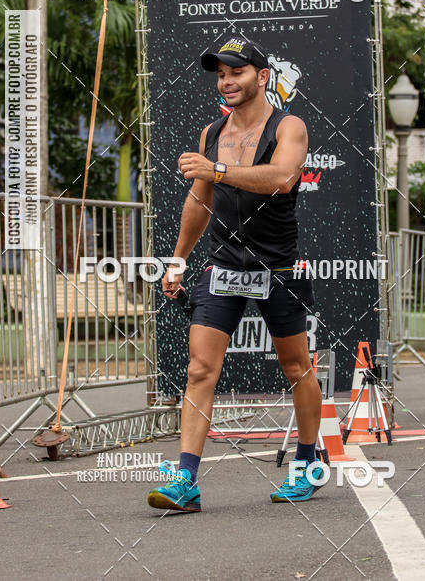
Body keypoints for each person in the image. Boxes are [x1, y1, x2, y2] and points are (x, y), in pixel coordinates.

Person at [147, 37, 323, 512]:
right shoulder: (212, 133)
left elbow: (282, 178)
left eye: (237, 72)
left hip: (278, 266)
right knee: (201, 368)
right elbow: (199, 199)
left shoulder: (290, 126)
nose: (226, 81)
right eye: (220, 74)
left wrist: (217, 169)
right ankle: (185, 480)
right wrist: (179, 259)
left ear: (261, 77)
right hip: (225, 265)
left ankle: (307, 463)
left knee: (295, 367)